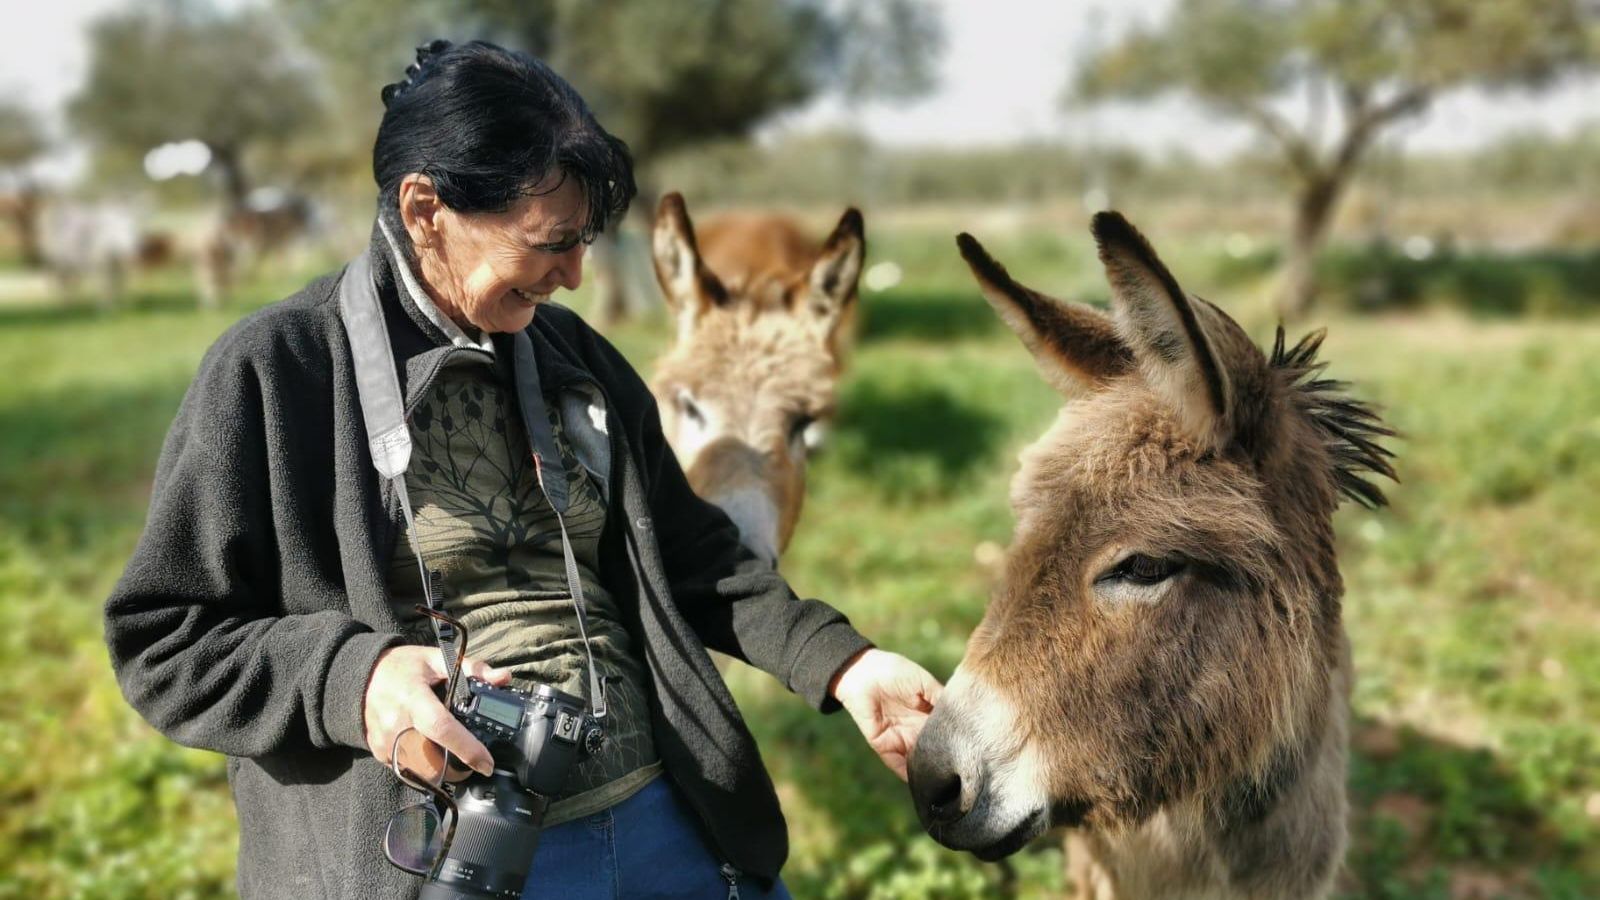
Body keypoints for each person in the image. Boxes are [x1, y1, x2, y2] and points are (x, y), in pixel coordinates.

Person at [103, 39, 943, 900]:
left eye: (585, 242)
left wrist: (845, 665)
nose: (575, 276)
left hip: (671, 819)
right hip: (450, 861)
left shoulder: (576, 355)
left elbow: (699, 557)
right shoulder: (277, 370)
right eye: (550, 243)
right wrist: (355, 680)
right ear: (425, 209)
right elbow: (164, 640)